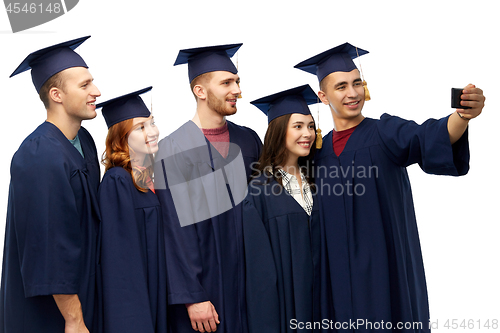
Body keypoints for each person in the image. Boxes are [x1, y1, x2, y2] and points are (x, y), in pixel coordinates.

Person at [294, 43, 485, 332]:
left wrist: (462, 116)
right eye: (341, 86)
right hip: (334, 276)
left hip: (383, 270)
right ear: (323, 96)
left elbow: (426, 136)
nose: (353, 93)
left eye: (357, 83)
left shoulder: (384, 132)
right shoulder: (316, 152)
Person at [154, 43, 262, 333]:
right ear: (200, 91)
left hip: (251, 282)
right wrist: (193, 296)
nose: (237, 90)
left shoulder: (248, 140)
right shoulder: (173, 148)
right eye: (226, 82)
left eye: (237, 82)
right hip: (206, 289)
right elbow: (174, 231)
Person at [0, 36, 101, 333]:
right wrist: (74, 318)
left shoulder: (83, 140)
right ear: (56, 95)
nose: (96, 91)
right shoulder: (38, 154)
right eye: (84, 85)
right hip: (50, 313)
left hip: (83, 292)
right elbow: (48, 244)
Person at [244, 84, 331, 332]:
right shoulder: (259, 190)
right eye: (298, 126)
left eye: (311, 126)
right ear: (279, 131)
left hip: (326, 303)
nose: (308, 133)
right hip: (287, 309)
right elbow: (259, 272)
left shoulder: (319, 180)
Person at [95, 87, 168, 333]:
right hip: (137, 307)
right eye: (140, 127)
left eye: (153, 123)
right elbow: (120, 265)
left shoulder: (151, 179)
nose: (152, 132)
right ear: (120, 138)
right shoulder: (118, 181)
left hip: (159, 295)